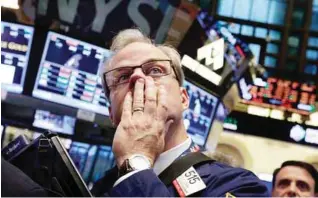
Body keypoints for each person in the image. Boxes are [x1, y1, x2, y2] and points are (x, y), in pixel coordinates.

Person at [92, 28, 269, 197]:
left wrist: (134, 165)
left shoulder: (238, 185)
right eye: (122, 77)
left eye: (155, 70)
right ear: (112, 115)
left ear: (183, 98)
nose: (138, 78)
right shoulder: (99, 189)